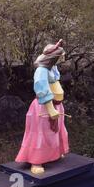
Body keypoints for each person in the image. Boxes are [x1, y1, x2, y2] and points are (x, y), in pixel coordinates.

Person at [15, 39, 69, 174]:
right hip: (44, 106)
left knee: (55, 132)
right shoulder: (41, 70)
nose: (63, 58)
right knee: (41, 133)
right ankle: (36, 161)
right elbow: (41, 88)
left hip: (57, 105)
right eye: (61, 56)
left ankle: (54, 153)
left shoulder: (53, 67)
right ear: (54, 57)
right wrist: (50, 108)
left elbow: (55, 83)